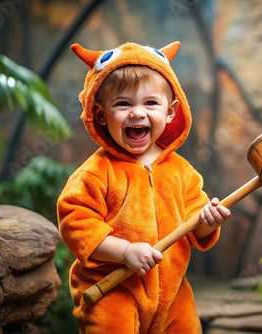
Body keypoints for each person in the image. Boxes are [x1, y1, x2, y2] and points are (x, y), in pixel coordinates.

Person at [57, 40, 231, 333]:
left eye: (151, 103)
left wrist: (207, 222)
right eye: (123, 103)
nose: (137, 113)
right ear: (101, 114)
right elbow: (77, 224)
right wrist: (124, 251)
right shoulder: (95, 173)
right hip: (112, 290)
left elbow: (194, 222)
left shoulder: (182, 172)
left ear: (171, 112)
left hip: (173, 292)